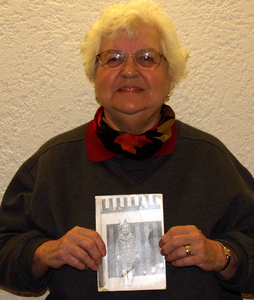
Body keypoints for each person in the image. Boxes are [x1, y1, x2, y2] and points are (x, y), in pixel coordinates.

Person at [0, 0, 254, 299]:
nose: (129, 71)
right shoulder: (51, 164)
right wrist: (43, 253)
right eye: (113, 58)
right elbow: (5, 248)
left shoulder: (212, 161)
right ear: (95, 75)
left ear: (170, 77)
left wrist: (222, 255)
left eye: (147, 58)